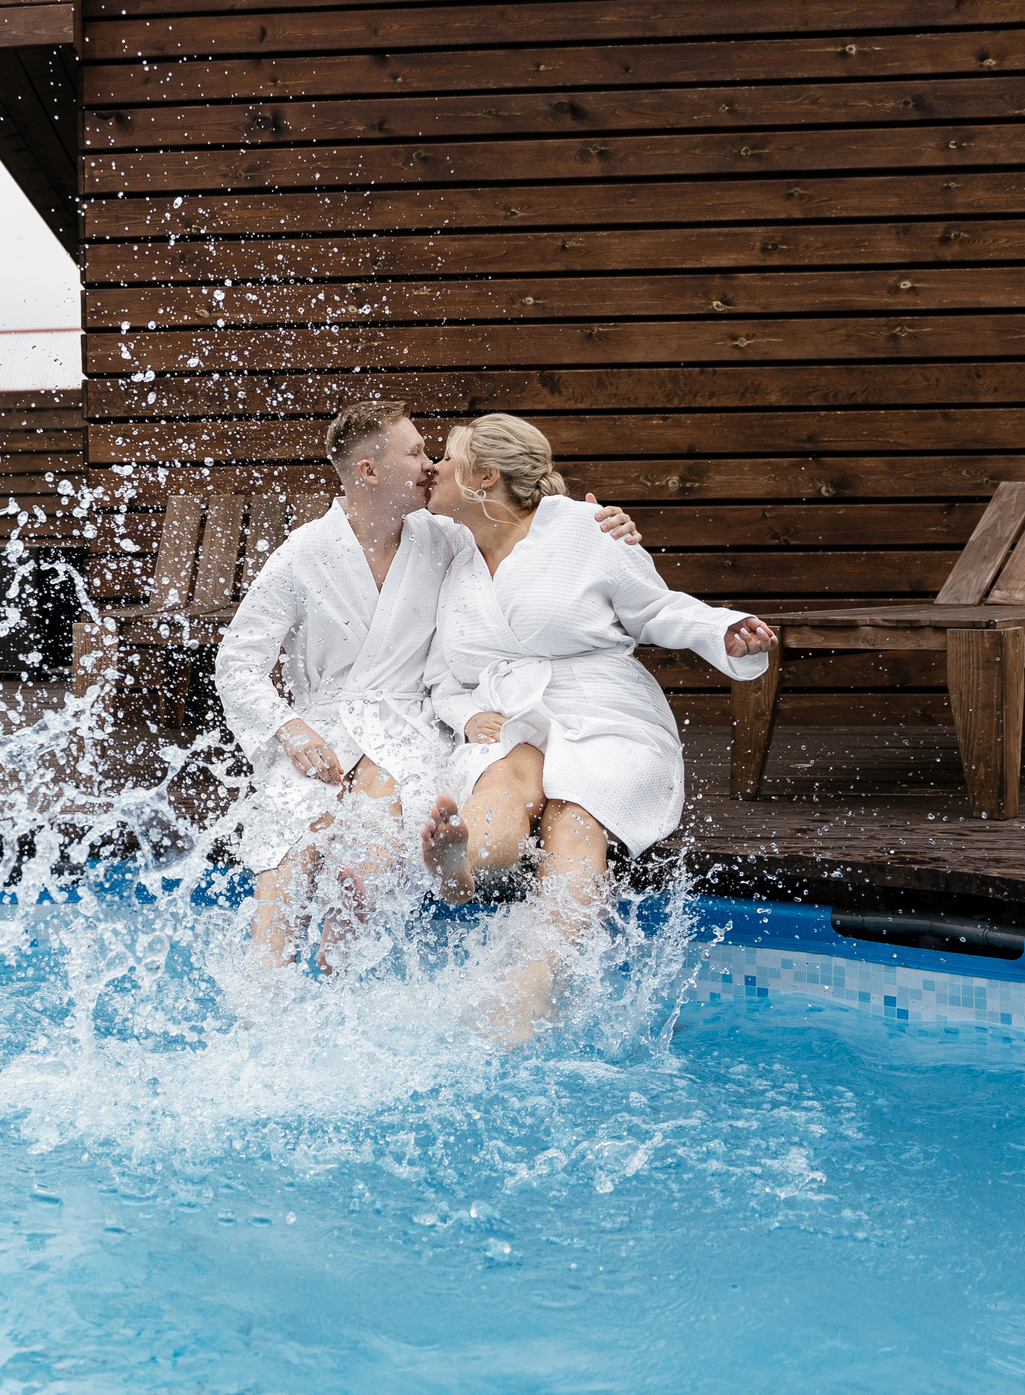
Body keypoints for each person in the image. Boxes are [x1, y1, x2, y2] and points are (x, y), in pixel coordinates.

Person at [211, 401, 640, 968]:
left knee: (361, 876)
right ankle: (262, 1004)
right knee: (290, 855)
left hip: (408, 726)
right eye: (415, 451)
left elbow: (522, 537)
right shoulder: (303, 556)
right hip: (321, 730)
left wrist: (597, 527)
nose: (431, 464)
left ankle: (337, 997)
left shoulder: (445, 538)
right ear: (367, 472)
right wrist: (290, 730)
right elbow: (237, 661)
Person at [415, 413, 776, 1041]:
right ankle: (460, 862)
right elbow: (445, 676)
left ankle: (535, 975)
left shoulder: (586, 529)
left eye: (446, 457)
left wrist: (725, 631)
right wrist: (467, 715)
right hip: (508, 714)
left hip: (605, 710)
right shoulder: (451, 552)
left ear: (484, 477)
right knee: (504, 787)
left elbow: (657, 609)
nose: (434, 468)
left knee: (574, 821)